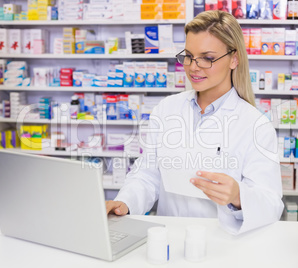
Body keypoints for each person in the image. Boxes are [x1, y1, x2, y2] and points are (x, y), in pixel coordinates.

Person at [106, 10, 284, 235]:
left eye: (207, 58)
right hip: (169, 237)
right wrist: (125, 203)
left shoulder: (255, 125)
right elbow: (147, 175)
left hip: (223, 244)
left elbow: (271, 203)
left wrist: (238, 196)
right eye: (188, 55)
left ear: (234, 59)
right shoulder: (166, 110)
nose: (193, 66)